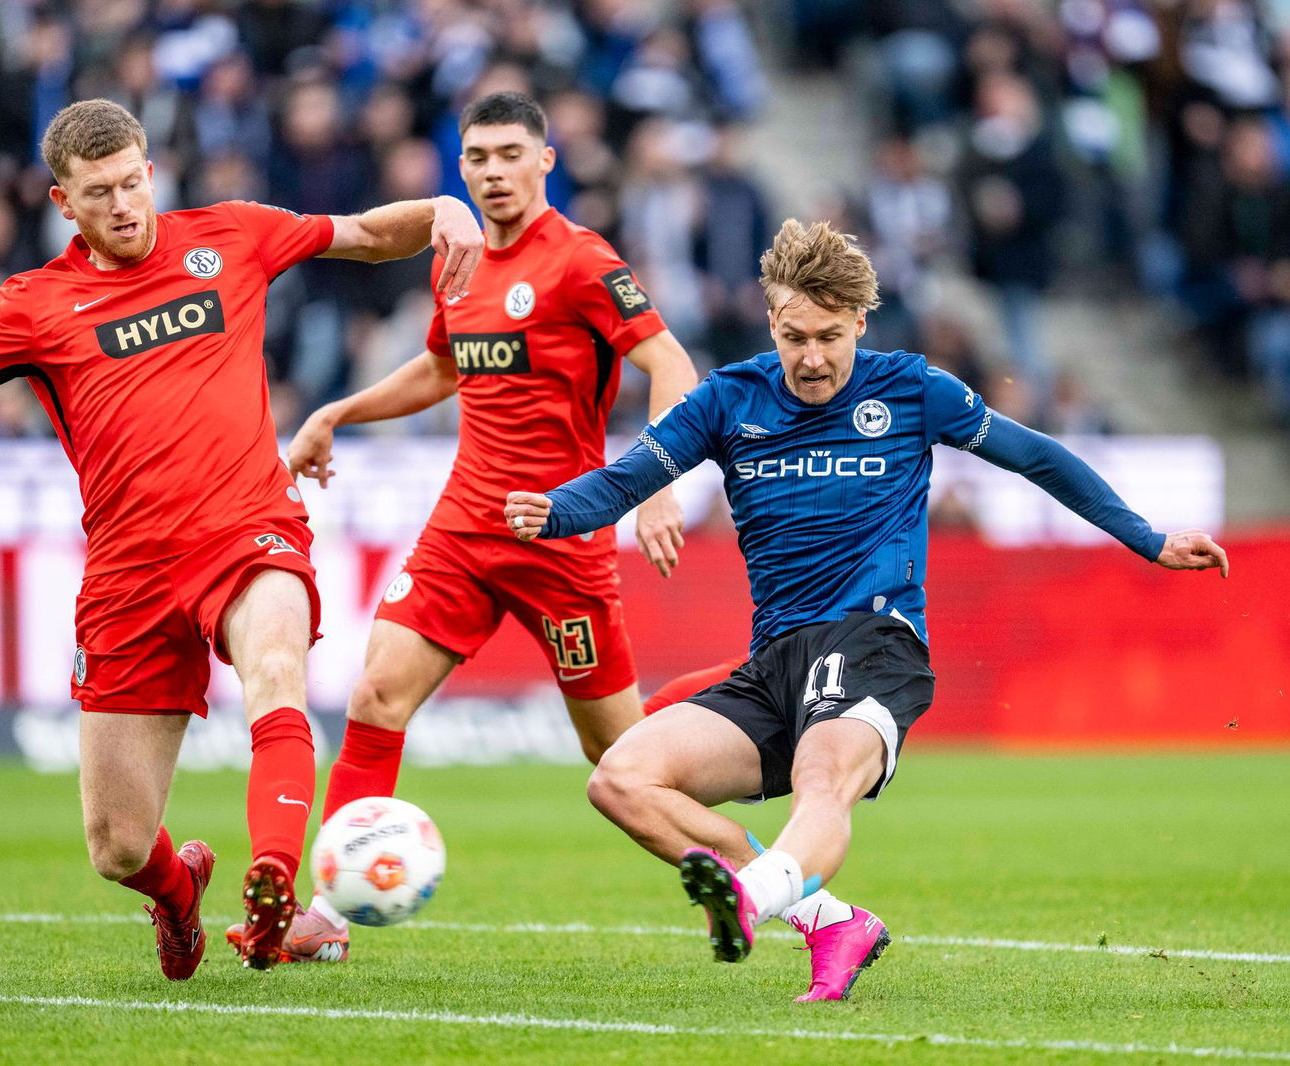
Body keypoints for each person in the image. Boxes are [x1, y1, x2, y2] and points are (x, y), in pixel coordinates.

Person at [505, 219, 1229, 1001]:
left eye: (827, 336)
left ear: (859, 321)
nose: (810, 357)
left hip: (876, 642)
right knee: (621, 779)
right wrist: (550, 510)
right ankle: (830, 922)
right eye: (793, 336)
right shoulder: (728, 400)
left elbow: (1038, 456)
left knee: (823, 778)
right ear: (770, 321)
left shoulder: (914, 389)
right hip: (774, 659)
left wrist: (1146, 538)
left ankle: (748, 900)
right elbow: (625, 479)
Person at [0, 98, 484, 977]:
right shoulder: (32, 304)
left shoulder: (234, 235)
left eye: (132, 183)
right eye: (100, 193)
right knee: (117, 845)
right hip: (129, 573)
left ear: (151, 172)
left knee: (277, 667)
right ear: (62, 203)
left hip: (248, 528)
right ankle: (178, 892)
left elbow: (366, 235)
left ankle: (272, 882)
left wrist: (443, 213)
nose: (123, 205)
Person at [264, 91, 699, 962]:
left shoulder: (581, 262)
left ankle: (763, 866)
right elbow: (440, 367)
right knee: (374, 695)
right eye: (477, 158)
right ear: (458, 168)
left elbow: (671, 362)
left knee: (622, 757)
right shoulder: (455, 259)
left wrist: (655, 486)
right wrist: (337, 412)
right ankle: (328, 917)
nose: (494, 172)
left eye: (510, 154)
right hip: (464, 528)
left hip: (560, 537)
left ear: (546, 161)